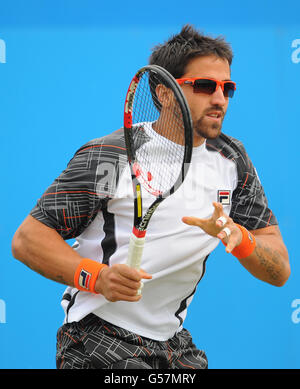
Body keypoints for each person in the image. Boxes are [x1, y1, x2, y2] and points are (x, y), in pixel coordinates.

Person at [11, 25, 290, 369]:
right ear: (164, 93)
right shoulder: (111, 156)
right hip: (98, 337)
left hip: (172, 342)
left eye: (227, 88)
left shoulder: (233, 160)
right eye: (204, 86)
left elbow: (279, 271)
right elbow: (27, 239)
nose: (219, 99)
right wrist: (97, 278)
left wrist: (239, 237)